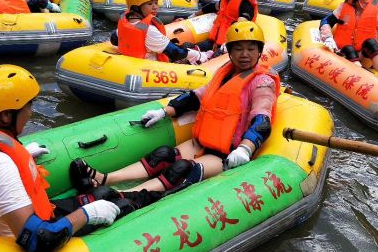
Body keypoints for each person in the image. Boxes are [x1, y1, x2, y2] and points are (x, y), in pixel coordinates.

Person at [0, 64, 163, 252]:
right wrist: (87, 214)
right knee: (118, 205)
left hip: (5, 217)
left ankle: (99, 192)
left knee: (103, 194)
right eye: (28, 106)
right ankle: (161, 189)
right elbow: (39, 241)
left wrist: (22, 154)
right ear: (5, 116)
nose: (31, 113)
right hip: (18, 238)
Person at [75, 21, 279, 192]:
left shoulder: (261, 83)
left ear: (259, 51)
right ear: (231, 52)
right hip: (203, 141)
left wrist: (245, 148)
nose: (245, 54)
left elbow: (261, 121)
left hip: (228, 153)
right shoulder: (225, 73)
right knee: (162, 155)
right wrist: (164, 111)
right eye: (239, 48)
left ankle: (127, 194)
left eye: (251, 49)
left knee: (180, 169)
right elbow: (195, 97)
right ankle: (105, 178)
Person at [112, 0, 210, 64]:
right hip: (148, 69)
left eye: (156, 2)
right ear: (136, 7)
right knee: (186, 48)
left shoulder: (125, 21)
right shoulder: (149, 30)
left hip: (128, 64)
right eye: (149, 4)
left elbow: (114, 40)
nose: (155, 7)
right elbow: (175, 53)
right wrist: (200, 55)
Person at [194, 0, 258, 51]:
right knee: (190, 49)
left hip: (231, 45)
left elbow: (242, 22)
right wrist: (194, 14)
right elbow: (212, 6)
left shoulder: (245, 2)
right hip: (215, 41)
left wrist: (229, 42)